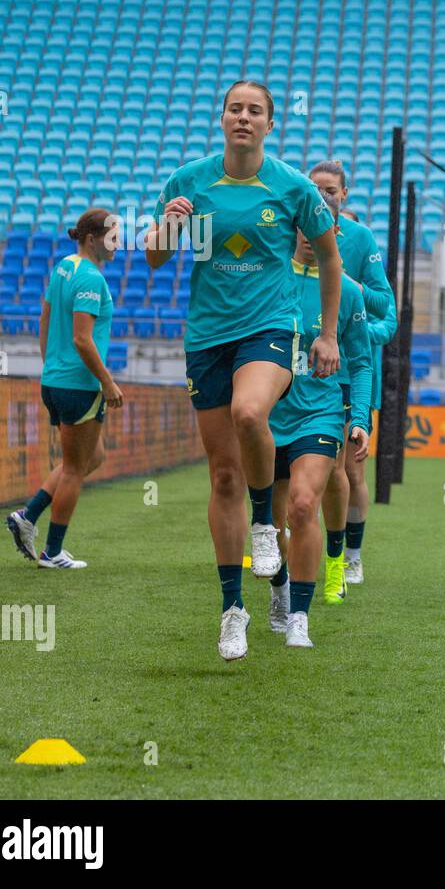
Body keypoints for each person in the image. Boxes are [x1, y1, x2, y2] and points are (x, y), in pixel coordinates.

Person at [145, 79, 343, 661]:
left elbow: (329, 257)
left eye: (255, 111)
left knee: (250, 411)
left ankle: (266, 525)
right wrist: (169, 225)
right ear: (222, 117)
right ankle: (234, 611)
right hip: (207, 338)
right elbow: (155, 255)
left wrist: (328, 333)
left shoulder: (294, 187)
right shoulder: (188, 180)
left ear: (269, 124)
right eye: (236, 108)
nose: (244, 118)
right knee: (223, 476)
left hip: (270, 329)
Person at [266, 219, 373, 648]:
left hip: (320, 413)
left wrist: (360, 417)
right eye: (305, 229)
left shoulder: (348, 290)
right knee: (271, 524)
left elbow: (362, 361)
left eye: (321, 230)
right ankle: (279, 588)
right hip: (268, 415)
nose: (311, 239)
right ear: (293, 230)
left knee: (303, 505)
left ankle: (299, 616)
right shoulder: (269, 278)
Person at [7, 209, 122, 568]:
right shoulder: (90, 278)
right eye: (113, 237)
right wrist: (107, 381)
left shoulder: (62, 267)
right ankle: (52, 552)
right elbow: (82, 340)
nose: (118, 244)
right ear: (92, 239)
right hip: (79, 384)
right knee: (74, 468)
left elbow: (44, 317)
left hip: (56, 380)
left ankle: (28, 515)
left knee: (93, 457)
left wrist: (50, 364)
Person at [305, 161, 395, 596]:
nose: (323, 195)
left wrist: (344, 297)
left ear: (344, 195)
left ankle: (348, 556)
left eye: (330, 189)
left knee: (347, 472)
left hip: (346, 373)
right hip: (298, 372)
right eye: (314, 188)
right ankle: (279, 545)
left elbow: (385, 309)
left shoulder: (360, 239)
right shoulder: (292, 234)